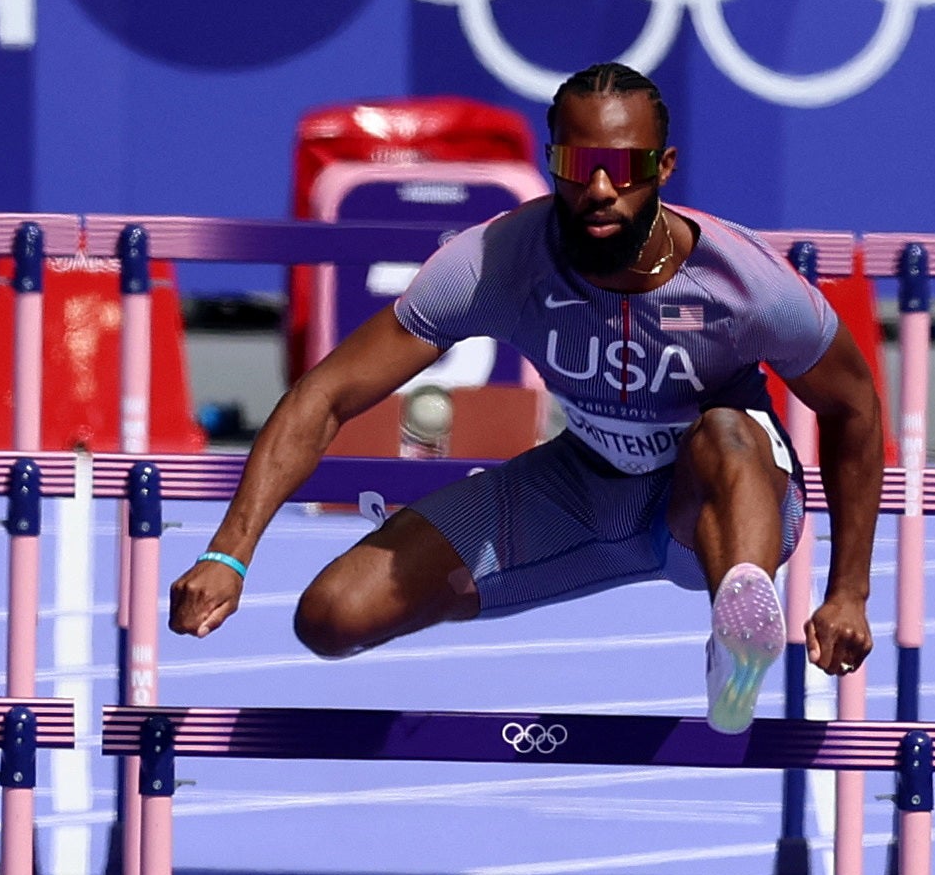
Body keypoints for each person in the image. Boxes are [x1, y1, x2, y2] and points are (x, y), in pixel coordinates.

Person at [170, 62, 881, 731]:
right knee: (329, 617)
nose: (600, 188)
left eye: (626, 167)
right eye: (579, 166)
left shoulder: (747, 284)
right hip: (578, 491)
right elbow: (323, 395)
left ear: (662, 169)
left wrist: (847, 590)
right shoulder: (493, 263)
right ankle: (651, 585)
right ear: (552, 164)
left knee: (725, 431)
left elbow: (852, 407)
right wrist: (228, 555)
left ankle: (734, 649)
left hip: (713, 514)